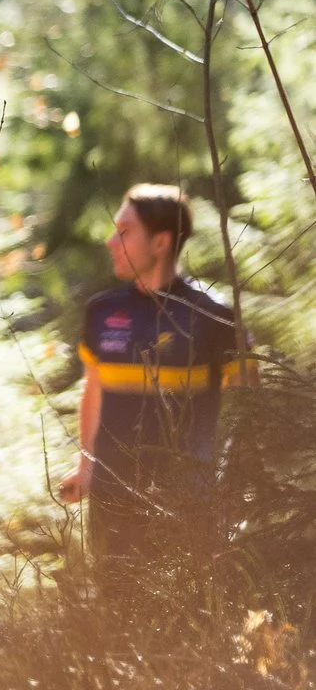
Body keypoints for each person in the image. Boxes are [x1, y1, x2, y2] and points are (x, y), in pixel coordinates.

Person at [54, 184, 245, 561]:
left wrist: (232, 486)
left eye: (124, 231)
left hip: (186, 502)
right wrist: (86, 465)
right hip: (111, 497)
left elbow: (245, 406)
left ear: (160, 242)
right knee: (113, 613)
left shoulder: (214, 315)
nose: (111, 241)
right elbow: (94, 389)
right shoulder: (101, 310)